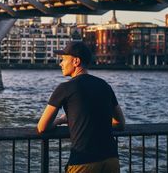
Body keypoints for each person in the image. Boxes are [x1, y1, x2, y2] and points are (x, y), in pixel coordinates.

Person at [37, 41, 125, 173]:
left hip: (84, 161)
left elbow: (42, 127)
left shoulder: (65, 88)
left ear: (76, 61)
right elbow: (120, 123)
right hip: (111, 160)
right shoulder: (104, 85)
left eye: (63, 60)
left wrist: (61, 120)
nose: (60, 63)